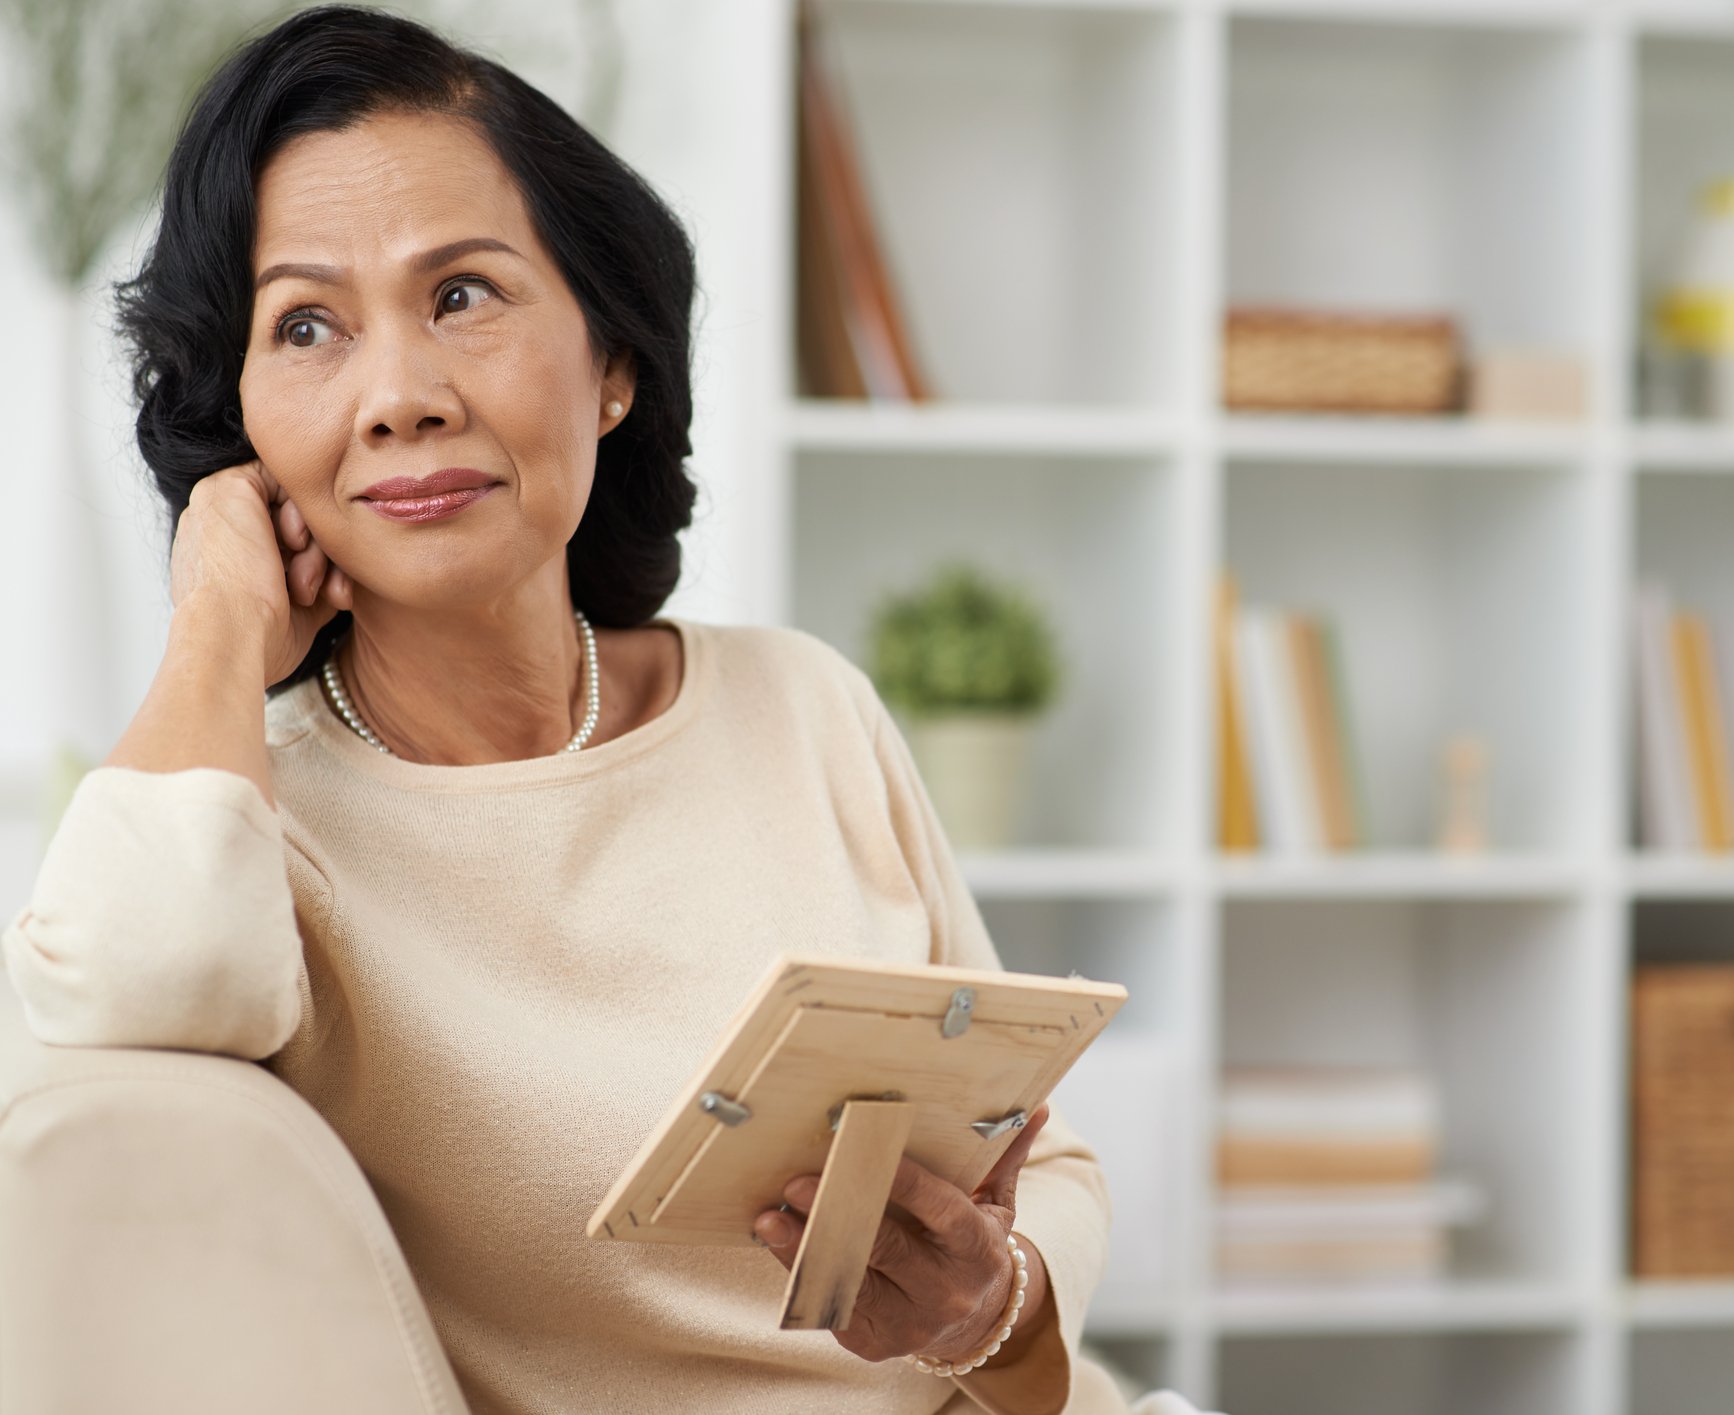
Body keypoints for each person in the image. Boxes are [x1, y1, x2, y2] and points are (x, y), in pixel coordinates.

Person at [0, 8, 1135, 1413]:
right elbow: (131, 991)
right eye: (305, 327)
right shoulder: (258, 840)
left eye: (463, 294)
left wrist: (988, 1311)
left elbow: (1051, 1170)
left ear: (612, 365)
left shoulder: (801, 704)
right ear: (242, 423)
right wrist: (218, 619)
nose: (400, 396)